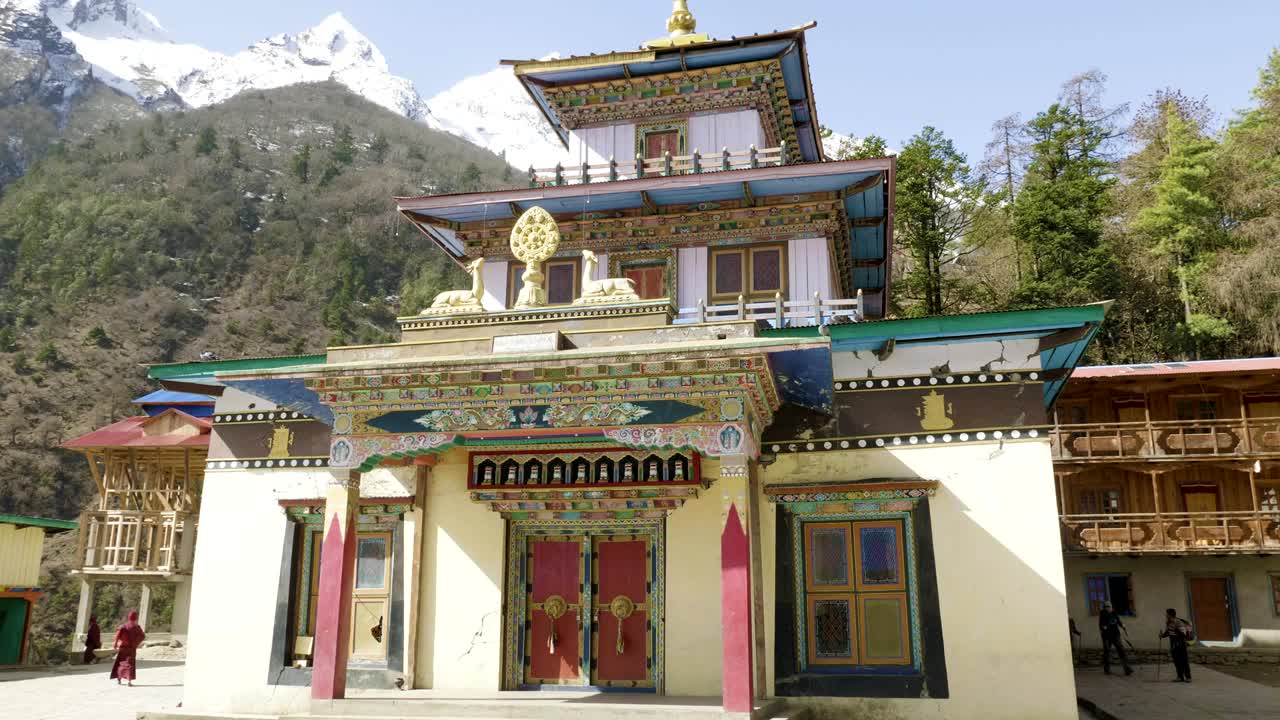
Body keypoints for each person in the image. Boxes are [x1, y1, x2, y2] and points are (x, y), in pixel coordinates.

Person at [109, 610, 146, 687]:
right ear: (135, 618)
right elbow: (142, 636)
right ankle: (129, 681)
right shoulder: (137, 627)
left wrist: (115, 644)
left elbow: (117, 635)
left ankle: (119, 679)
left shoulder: (123, 626)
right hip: (131, 649)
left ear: (128, 617)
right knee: (130, 664)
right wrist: (136, 643)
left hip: (123, 648)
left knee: (121, 663)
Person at [1098, 601, 1133, 676]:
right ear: (1104, 607)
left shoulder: (1114, 613)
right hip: (1106, 636)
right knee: (1107, 652)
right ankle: (1107, 669)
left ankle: (1127, 669)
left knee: (1121, 651)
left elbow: (1119, 621)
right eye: (1106, 606)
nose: (1108, 608)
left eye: (1109, 606)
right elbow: (1100, 625)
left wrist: (1122, 625)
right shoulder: (1103, 613)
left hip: (1116, 635)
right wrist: (1104, 627)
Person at [1160, 608, 1195, 683]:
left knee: (1184, 661)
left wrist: (1177, 630)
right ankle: (1180, 677)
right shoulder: (1169, 622)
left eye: (1167, 614)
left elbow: (1184, 634)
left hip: (1181, 644)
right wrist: (1162, 636)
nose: (1166, 615)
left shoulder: (1178, 622)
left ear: (1170, 614)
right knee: (1176, 661)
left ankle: (1188, 677)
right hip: (1173, 644)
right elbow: (1168, 632)